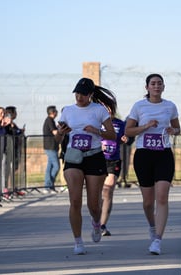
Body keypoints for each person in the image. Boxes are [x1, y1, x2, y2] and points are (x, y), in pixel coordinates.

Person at [55, 77, 117, 255]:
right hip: (73, 157)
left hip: (94, 156)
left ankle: (97, 223)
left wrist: (96, 131)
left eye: (83, 94)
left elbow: (112, 135)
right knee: (75, 200)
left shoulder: (99, 110)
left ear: (90, 94)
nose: (79, 97)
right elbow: (57, 139)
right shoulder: (67, 111)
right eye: (77, 93)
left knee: (93, 205)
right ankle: (78, 241)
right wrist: (60, 132)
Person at [125, 73, 181, 255]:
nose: (156, 86)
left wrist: (174, 130)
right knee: (148, 202)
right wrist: (145, 126)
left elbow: (178, 128)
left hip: (163, 153)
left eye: (159, 83)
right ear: (147, 87)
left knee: (162, 196)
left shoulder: (170, 106)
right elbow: (128, 130)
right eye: (153, 83)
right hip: (143, 155)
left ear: (163, 87)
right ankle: (152, 225)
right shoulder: (139, 106)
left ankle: (157, 239)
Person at [99, 108, 131, 236]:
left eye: (110, 108)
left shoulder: (120, 124)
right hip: (97, 160)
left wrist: (125, 139)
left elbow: (126, 137)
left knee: (108, 189)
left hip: (113, 160)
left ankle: (102, 225)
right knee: (97, 193)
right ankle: (96, 219)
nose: (108, 111)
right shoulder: (96, 122)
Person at [42, 105, 60, 194]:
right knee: (56, 166)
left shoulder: (51, 121)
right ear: (53, 112)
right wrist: (61, 130)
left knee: (50, 167)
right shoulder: (49, 120)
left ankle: (48, 186)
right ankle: (49, 185)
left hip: (53, 147)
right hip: (50, 147)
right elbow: (55, 132)